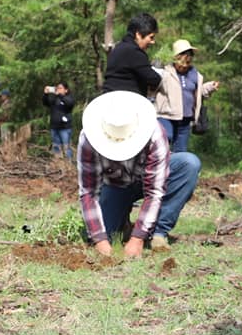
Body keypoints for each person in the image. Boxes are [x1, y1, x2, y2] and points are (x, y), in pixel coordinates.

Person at [78, 90, 200, 256]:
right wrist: (100, 240)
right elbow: (88, 193)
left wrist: (138, 238)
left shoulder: (155, 133)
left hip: (148, 179)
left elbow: (155, 192)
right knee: (105, 234)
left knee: (189, 163)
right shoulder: (88, 139)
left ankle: (158, 232)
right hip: (115, 186)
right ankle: (123, 223)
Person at [155, 39, 220, 152]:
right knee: (165, 139)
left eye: (189, 56)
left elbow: (196, 93)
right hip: (166, 116)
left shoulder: (195, 74)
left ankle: (175, 168)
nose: (187, 60)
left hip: (185, 119)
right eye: (184, 56)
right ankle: (160, 166)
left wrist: (209, 87)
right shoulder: (165, 72)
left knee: (181, 151)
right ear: (176, 57)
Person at [102, 13, 162, 97]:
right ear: (138, 35)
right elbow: (154, 79)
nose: (153, 42)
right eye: (151, 37)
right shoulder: (134, 52)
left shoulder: (118, 48)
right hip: (127, 103)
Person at [43, 82, 75, 158]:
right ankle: (58, 164)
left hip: (65, 128)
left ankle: (68, 165)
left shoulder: (69, 98)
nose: (58, 89)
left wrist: (60, 95)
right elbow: (45, 103)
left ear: (66, 90)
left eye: (60, 88)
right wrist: (45, 94)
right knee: (56, 147)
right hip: (54, 127)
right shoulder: (54, 99)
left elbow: (69, 104)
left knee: (66, 147)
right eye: (57, 88)